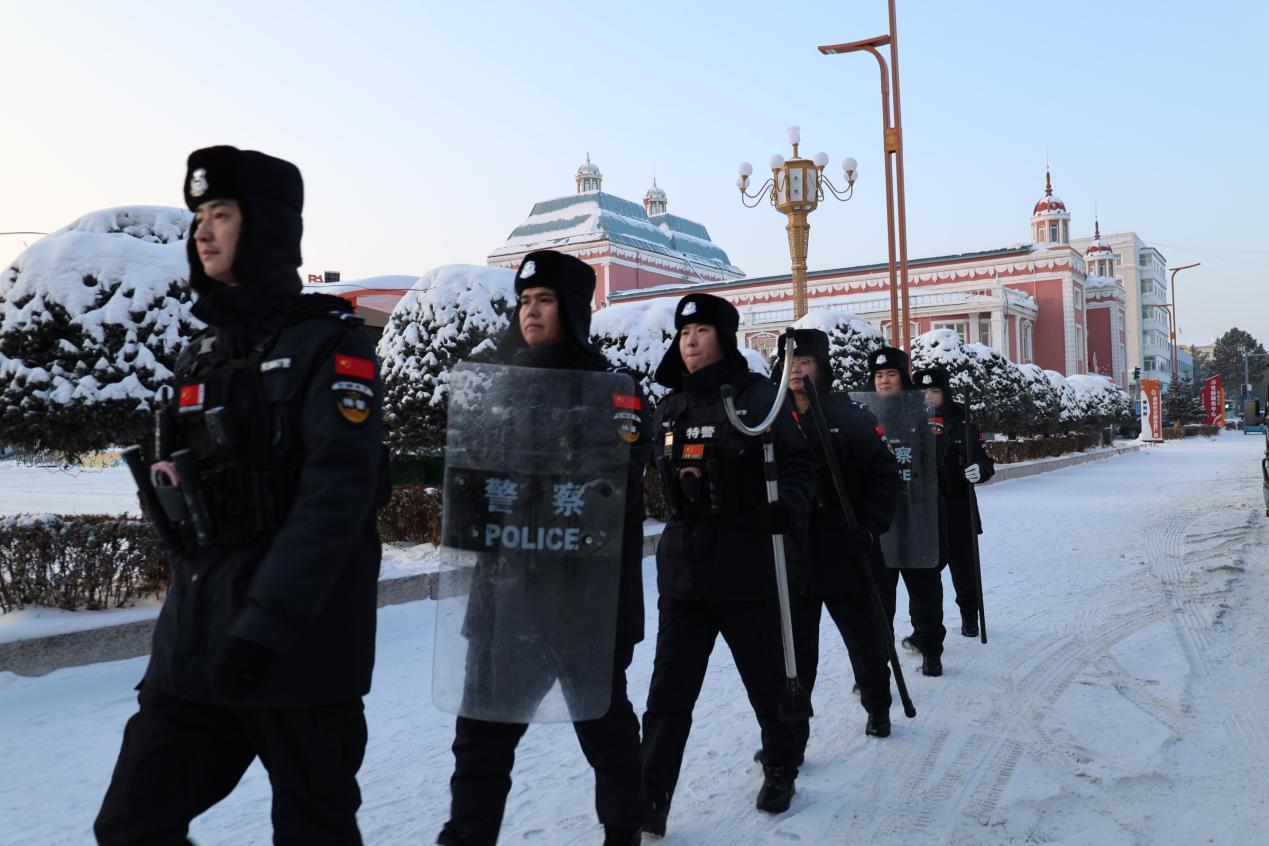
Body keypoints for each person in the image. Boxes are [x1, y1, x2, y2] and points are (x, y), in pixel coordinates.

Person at [95, 146, 389, 845]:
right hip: (199, 647)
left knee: (314, 832)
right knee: (131, 825)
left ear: (267, 227)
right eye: (198, 215)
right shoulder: (200, 354)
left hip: (300, 652)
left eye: (221, 213)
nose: (202, 230)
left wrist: (264, 626)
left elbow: (336, 498)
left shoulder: (331, 347)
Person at [437, 250, 651, 846]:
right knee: (479, 739)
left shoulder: (614, 392)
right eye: (525, 301)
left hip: (583, 605)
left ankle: (623, 832)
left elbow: (617, 494)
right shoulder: (496, 386)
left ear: (574, 310)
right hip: (502, 602)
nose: (530, 312)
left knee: (604, 731)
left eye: (545, 300)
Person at [641, 294, 816, 837]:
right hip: (684, 572)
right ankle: (649, 797)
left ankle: (781, 766)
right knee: (668, 694)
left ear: (724, 335)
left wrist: (789, 506)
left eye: (701, 330)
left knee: (767, 683)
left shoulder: (759, 398)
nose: (690, 341)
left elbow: (798, 464)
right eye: (683, 332)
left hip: (747, 566)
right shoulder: (669, 407)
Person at [776, 329, 901, 751]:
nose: (797, 370)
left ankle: (877, 706)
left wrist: (869, 527)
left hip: (847, 550)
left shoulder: (851, 417)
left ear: (822, 368)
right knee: (794, 657)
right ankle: (791, 739)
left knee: (865, 642)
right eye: (790, 362)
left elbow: (886, 480)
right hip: (795, 555)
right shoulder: (772, 419)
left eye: (805, 362)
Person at [865, 346, 947, 677]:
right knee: (878, 602)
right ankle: (876, 670)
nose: (884, 381)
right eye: (878, 375)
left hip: (918, 518)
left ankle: (931, 651)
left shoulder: (922, 414)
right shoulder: (864, 415)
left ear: (903, 377)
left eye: (891, 374)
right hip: (881, 523)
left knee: (925, 593)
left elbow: (937, 457)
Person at [913, 366, 994, 637]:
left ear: (945, 393)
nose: (928, 396)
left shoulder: (963, 420)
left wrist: (980, 470)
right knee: (923, 577)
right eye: (922, 391)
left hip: (959, 506)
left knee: (965, 570)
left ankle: (970, 616)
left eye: (934, 391)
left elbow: (984, 459)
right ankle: (924, 628)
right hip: (924, 511)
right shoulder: (909, 421)